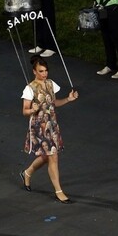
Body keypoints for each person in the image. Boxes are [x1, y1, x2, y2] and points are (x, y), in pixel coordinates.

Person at [20, 55, 78, 204]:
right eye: (41, 71)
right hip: (39, 127)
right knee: (53, 156)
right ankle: (59, 191)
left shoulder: (51, 84)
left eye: (46, 71)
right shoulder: (29, 89)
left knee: (47, 156)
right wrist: (32, 109)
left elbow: (54, 103)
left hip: (52, 125)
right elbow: (25, 111)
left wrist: (68, 99)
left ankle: (27, 173)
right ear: (34, 71)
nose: (44, 74)